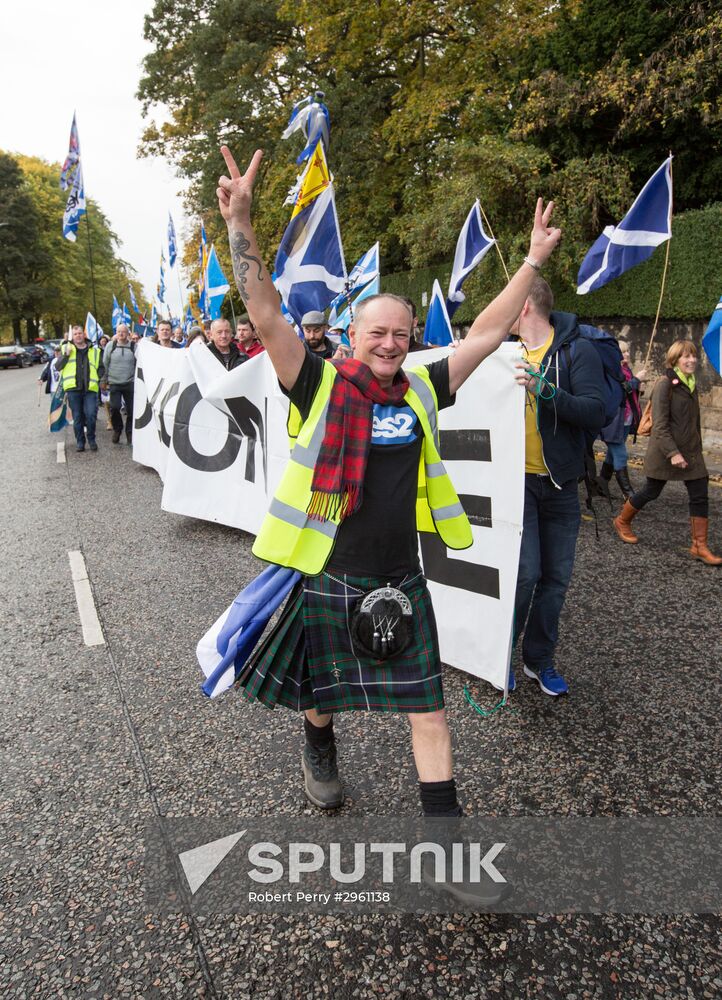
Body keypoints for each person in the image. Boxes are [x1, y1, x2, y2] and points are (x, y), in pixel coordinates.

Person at [216, 147, 561, 838]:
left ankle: (446, 837)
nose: (391, 343)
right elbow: (263, 308)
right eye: (377, 332)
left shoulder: (427, 387)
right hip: (327, 570)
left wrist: (533, 261)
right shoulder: (315, 382)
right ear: (353, 334)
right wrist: (242, 223)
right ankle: (319, 746)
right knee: (321, 692)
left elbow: (491, 331)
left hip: (403, 574)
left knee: (429, 709)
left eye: (401, 334)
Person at [507, 278, 605, 696]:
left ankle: (538, 660)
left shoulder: (576, 349)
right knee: (525, 574)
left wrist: (545, 390)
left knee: (556, 579)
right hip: (515, 483)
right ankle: (498, 656)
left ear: (526, 306)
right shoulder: (500, 350)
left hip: (560, 483)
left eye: (511, 300)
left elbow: (596, 411)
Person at [613, 340, 721, 565]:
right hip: (665, 452)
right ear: (675, 360)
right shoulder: (665, 384)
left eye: (693, 356)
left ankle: (699, 545)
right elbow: (660, 424)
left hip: (691, 452)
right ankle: (622, 521)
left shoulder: (691, 382)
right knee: (651, 491)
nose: (691, 360)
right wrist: (673, 453)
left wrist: (696, 448)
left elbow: (693, 421)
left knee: (700, 495)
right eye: (685, 357)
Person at [599, 341, 646, 500]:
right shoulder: (611, 370)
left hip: (626, 418)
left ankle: (601, 484)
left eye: (627, 351)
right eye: (623, 352)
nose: (626, 355)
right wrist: (636, 381)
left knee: (612, 453)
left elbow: (630, 392)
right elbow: (620, 390)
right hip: (614, 418)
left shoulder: (626, 369)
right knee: (620, 454)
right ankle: (629, 495)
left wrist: (639, 387)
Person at [57, 324, 104, 452]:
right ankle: (80, 442)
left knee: (91, 415)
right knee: (77, 417)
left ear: (84, 335)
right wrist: (66, 355)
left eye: (80, 333)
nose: (78, 336)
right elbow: (58, 366)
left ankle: (91, 439)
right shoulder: (66, 348)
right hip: (73, 389)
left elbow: (101, 367)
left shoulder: (94, 350)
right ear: (73, 336)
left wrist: (99, 378)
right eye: (75, 334)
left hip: (90, 389)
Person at [103, 323, 136, 444]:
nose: (121, 334)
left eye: (123, 331)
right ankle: (117, 429)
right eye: (118, 331)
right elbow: (105, 363)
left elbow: (138, 364)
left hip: (130, 382)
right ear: (116, 333)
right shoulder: (110, 346)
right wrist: (104, 379)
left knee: (132, 410)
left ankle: (129, 432)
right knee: (115, 407)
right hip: (114, 382)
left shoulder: (133, 346)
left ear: (128, 333)